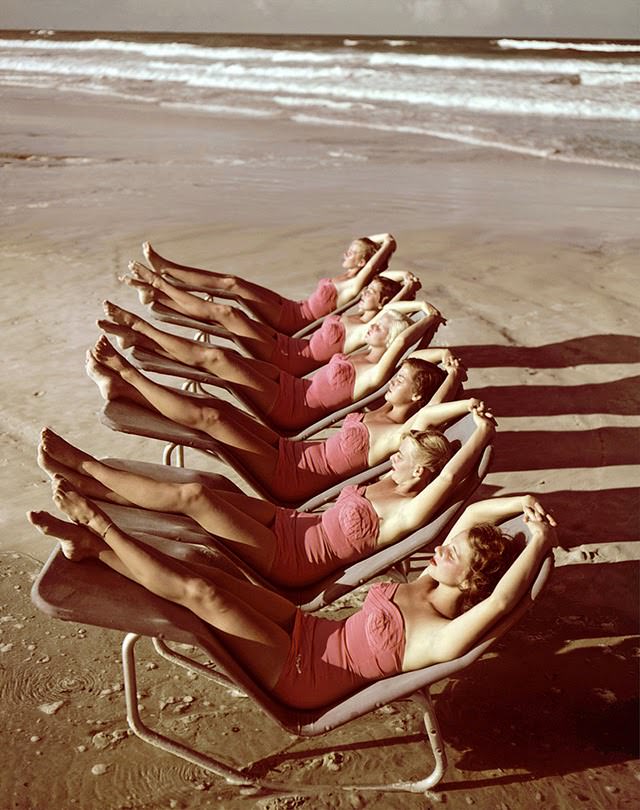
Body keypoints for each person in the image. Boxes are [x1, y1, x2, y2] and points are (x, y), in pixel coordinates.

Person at [30, 483, 557, 710]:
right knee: (204, 567)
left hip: (300, 676)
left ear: (470, 584)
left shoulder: (441, 637)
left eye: (452, 555)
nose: (439, 550)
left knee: (202, 594)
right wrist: (522, 506)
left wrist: (538, 545)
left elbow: (501, 603)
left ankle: (98, 530)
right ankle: (89, 548)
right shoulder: (428, 584)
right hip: (304, 627)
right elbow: (468, 516)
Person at [35, 402, 494, 588]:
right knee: (202, 490)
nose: (391, 460)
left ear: (423, 472)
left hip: (290, 562)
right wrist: (468, 412)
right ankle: (91, 485)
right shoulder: (396, 480)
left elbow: (454, 478)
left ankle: (84, 468)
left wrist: (481, 436)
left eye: (403, 457)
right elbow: (424, 419)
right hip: (290, 525)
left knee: (197, 496)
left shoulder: (409, 511)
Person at [88, 300, 444, 432]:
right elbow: (389, 319)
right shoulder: (365, 350)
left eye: (383, 327)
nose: (375, 324)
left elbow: (402, 343)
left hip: (293, 408)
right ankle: (142, 341)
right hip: (288, 384)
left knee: (218, 359)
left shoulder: (377, 372)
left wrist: (426, 322)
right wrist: (418, 305)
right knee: (220, 359)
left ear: (394, 340)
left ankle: (138, 337)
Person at [113, 267, 421, 377]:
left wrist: (413, 295)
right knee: (231, 299)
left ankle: (159, 287)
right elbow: (379, 271)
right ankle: (160, 293)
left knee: (228, 314)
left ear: (385, 305)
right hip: (288, 342)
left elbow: (380, 262)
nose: (365, 291)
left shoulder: (368, 329)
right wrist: (402, 279)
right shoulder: (360, 313)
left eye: (374, 293)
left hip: (291, 360)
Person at [137, 233, 399, 335]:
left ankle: (165, 274)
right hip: (291, 307)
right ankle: (164, 281)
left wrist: (386, 245)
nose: (346, 254)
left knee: (231, 285)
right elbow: (367, 245)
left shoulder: (354, 286)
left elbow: (378, 261)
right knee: (234, 282)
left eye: (353, 252)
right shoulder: (348, 277)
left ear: (366, 261)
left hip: (294, 321)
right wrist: (380, 240)